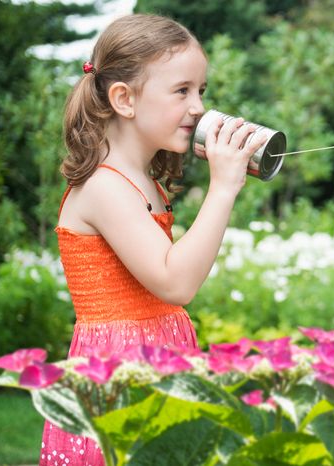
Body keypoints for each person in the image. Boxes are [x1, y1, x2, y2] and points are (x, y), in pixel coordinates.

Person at [41, 14, 266, 465]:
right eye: (182, 91)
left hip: (160, 356)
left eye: (201, 91)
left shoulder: (144, 181)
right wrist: (223, 188)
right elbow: (175, 284)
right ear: (124, 99)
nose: (198, 107)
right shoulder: (105, 187)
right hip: (122, 375)